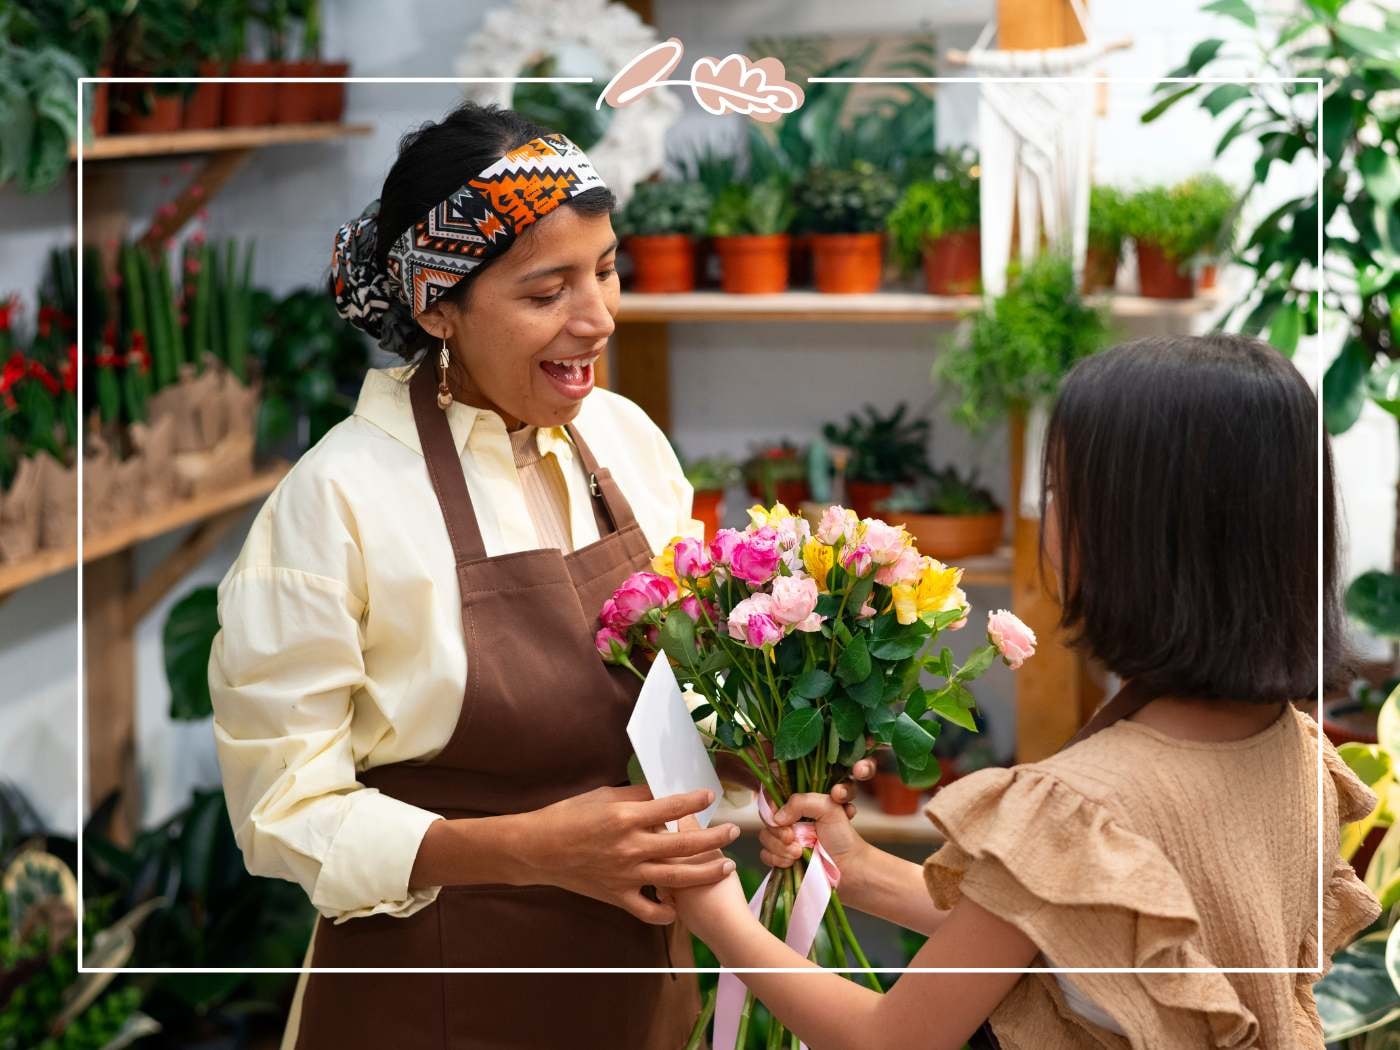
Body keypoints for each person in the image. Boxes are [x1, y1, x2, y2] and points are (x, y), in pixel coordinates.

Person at [670, 333, 1381, 1049]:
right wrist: (862, 872)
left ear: (1124, 540)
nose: (1048, 521)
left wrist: (719, 918)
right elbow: (1083, 940)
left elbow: (890, 1040)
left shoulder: (1084, 806)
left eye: (1058, 495)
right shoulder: (1295, 749)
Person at [208, 100, 743, 1050]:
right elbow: (281, 812)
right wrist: (524, 851)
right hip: (433, 999)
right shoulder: (336, 503)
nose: (598, 318)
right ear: (437, 306)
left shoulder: (625, 441)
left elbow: (679, 698)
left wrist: (759, 774)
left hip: (634, 987)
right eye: (547, 293)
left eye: (606, 270)